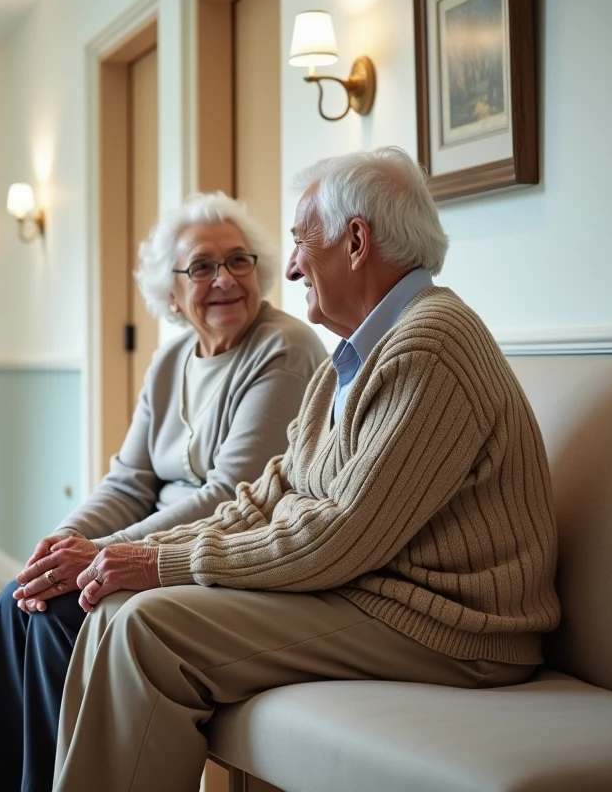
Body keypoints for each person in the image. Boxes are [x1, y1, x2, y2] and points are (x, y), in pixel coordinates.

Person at [52, 147, 563, 791]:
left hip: (453, 630)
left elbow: (340, 537)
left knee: (147, 628)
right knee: (113, 606)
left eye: (300, 241)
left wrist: (161, 563)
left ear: (356, 242)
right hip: (371, 594)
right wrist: (128, 556)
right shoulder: (353, 356)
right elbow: (267, 496)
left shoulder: (430, 345)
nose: (290, 267)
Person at [0, 192, 328, 792]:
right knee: (16, 600)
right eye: (201, 267)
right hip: (149, 546)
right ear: (171, 294)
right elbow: (130, 480)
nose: (225, 279)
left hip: (219, 553)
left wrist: (103, 556)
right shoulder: (171, 358)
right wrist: (65, 542)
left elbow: (232, 496)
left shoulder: (285, 348)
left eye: (238, 260)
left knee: (58, 614)